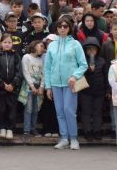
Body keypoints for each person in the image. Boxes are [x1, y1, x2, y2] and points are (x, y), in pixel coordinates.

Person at [44, 15, 87, 150]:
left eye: (65, 26)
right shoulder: (52, 45)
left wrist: (75, 76)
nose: (62, 29)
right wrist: (48, 86)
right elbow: (47, 67)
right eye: (60, 26)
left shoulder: (75, 44)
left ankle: (73, 138)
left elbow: (83, 64)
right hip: (55, 83)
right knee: (60, 111)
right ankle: (64, 138)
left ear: (69, 28)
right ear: (56, 28)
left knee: (69, 110)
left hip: (71, 83)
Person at [0, 34, 21, 140]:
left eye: (9, 42)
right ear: (1, 44)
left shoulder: (16, 55)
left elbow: (19, 72)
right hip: (1, 88)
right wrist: (3, 84)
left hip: (13, 89)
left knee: (11, 109)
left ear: (12, 44)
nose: (7, 44)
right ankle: (2, 128)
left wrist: (13, 84)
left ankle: (10, 129)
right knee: (2, 109)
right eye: (5, 42)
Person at [78, 36, 106, 141]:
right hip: (85, 91)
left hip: (99, 91)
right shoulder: (82, 61)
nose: (91, 51)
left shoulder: (102, 61)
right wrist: (89, 70)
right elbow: (78, 75)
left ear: (98, 49)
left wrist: (107, 90)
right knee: (86, 112)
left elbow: (105, 75)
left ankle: (97, 131)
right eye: (89, 49)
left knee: (97, 112)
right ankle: (87, 131)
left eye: (93, 49)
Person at [20, 40, 45, 139]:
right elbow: (25, 72)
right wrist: (32, 86)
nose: (43, 48)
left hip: (38, 87)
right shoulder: (26, 57)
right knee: (28, 108)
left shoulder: (41, 60)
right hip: (29, 86)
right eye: (41, 46)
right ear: (34, 46)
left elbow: (44, 74)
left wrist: (41, 86)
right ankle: (26, 130)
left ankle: (33, 128)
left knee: (36, 109)